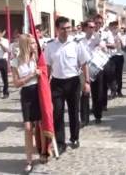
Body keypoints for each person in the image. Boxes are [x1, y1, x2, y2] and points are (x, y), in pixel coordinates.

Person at [45, 16, 91, 154]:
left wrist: (87, 82)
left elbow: (84, 64)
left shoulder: (77, 44)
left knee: (73, 111)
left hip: (73, 81)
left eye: (68, 28)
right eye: (63, 28)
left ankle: (74, 137)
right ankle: (60, 142)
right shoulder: (50, 45)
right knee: (57, 112)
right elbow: (47, 66)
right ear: (57, 29)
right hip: (57, 83)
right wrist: (45, 84)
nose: (66, 31)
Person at [11, 34, 45, 173]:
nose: (35, 45)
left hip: (38, 92)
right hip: (26, 94)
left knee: (41, 125)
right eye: (31, 43)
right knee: (27, 128)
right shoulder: (15, 62)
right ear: (25, 45)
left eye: (34, 43)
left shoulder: (37, 58)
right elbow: (16, 83)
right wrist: (31, 75)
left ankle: (43, 152)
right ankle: (29, 160)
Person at [94, 15, 116, 110]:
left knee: (104, 85)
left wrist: (104, 44)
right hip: (94, 62)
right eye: (96, 22)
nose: (98, 24)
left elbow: (113, 45)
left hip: (105, 60)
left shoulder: (107, 33)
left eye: (100, 22)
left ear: (102, 23)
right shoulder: (90, 32)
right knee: (95, 86)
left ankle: (103, 104)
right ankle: (96, 105)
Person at [110, 21, 125, 97]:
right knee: (112, 74)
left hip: (119, 56)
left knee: (119, 74)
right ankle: (113, 91)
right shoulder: (109, 35)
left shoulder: (121, 35)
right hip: (112, 56)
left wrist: (121, 40)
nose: (115, 29)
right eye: (114, 27)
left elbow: (124, 47)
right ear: (111, 28)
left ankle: (119, 90)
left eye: (116, 27)